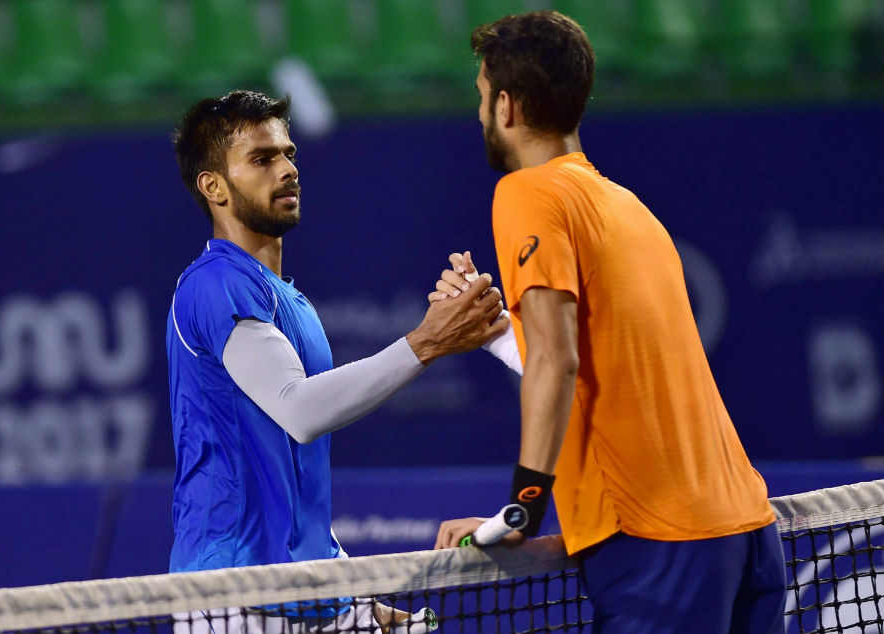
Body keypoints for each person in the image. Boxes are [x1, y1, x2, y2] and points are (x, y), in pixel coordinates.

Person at [432, 11, 787, 634]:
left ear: (508, 107)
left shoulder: (527, 193)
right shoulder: (629, 208)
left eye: (483, 97)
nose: (480, 113)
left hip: (658, 545)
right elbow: (600, 369)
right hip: (745, 535)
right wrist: (495, 336)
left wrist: (521, 508)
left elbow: (557, 361)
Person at [167, 90, 507, 633]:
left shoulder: (291, 302)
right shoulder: (214, 285)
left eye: (288, 153)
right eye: (261, 159)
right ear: (213, 186)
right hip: (235, 599)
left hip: (313, 595)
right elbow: (298, 412)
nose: (286, 169)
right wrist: (427, 342)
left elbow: (293, 481)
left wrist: (349, 594)